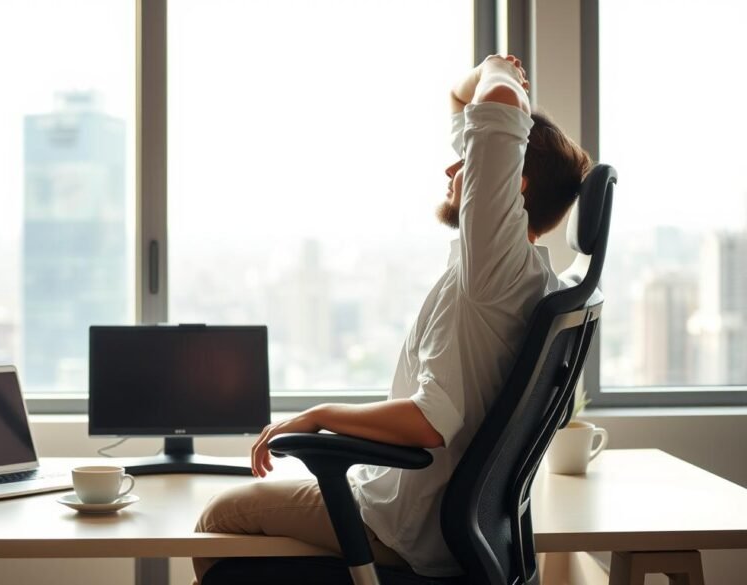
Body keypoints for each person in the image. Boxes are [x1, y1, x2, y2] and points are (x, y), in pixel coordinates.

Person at [192, 54, 593, 583]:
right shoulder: (517, 278)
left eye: (471, 163)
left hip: (401, 527)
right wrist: (490, 80)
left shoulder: (492, 271)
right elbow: (466, 101)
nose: (454, 169)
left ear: (510, 188)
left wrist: (320, 414)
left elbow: (430, 422)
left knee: (220, 518)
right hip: (434, 521)